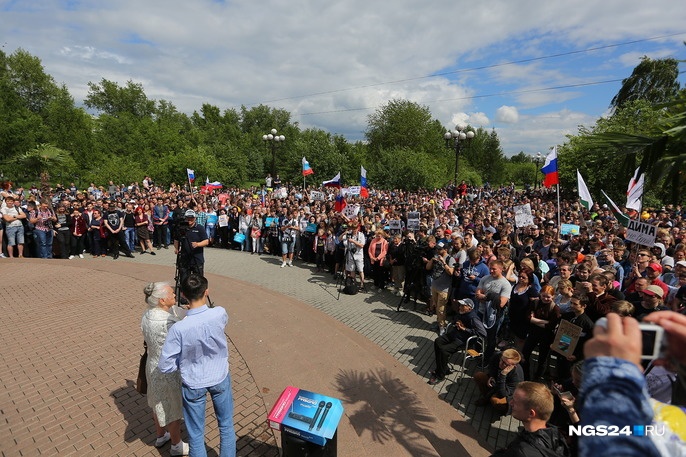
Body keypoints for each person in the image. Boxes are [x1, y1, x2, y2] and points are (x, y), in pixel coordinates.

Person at [159, 275, 236, 457]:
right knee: (226, 426)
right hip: (220, 375)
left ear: (184, 295)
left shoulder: (179, 328)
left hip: (193, 381)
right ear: (206, 291)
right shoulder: (219, 313)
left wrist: (183, 363)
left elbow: (165, 365)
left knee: (195, 434)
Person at [140, 282, 188, 456]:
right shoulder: (169, 321)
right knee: (172, 406)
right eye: (171, 293)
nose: (174, 294)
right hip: (169, 369)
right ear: (161, 300)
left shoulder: (147, 314)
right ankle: (177, 444)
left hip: (152, 365)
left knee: (157, 402)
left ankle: (161, 435)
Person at [491, 381, 570, 456]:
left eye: (515, 401)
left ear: (531, 413)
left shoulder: (521, 451)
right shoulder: (554, 434)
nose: (510, 403)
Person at [428, 298, 486, 385]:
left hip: (463, 340)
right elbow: (454, 319)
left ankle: (440, 375)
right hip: (454, 334)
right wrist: (457, 322)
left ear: (469, 308)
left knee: (444, 350)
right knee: (438, 341)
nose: (460, 307)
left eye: (463, 305)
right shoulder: (461, 313)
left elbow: (483, 333)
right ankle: (443, 368)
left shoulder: (473, 318)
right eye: (460, 305)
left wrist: (465, 329)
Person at [475, 260, 512, 362]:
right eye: (490, 268)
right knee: (478, 334)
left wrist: (485, 296)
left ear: (501, 269)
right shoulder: (485, 278)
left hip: (494, 316)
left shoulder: (506, 284)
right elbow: (477, 294)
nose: (491, 271)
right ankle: (477, 353)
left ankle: (487, 359)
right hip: (481, 311)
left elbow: (501, 303)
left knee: (491, 338)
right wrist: (491, 297)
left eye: (494, 269)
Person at [473, 348, 524, 415]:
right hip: (496, 382)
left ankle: (501, 410)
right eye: (501, 360)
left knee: (496, 401)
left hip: (506, 392)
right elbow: (491, 366)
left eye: (505, 364)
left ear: (513, 366)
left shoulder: (517, 377)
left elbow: (502, 394)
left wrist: (503, 375)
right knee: (479, 376)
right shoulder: (498, 356)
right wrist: (492, 376)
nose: (501, 363)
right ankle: (486, 397)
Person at [426, 241, 457, 334]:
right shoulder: (436, 256)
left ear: (446, 250)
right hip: (435, 286)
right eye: (437, 248)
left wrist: (443, 262)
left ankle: (442, 327)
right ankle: (439, 322)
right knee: (436, 307)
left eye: (440, 249)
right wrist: (432, 260)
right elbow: (427, 268)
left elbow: (451, 272)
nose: (437, 250)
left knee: (441, 309)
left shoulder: (450, 259)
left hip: (444, 289)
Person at [174, 210, 209, 284]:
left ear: (195, 218)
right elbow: (176, 239)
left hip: (197, 258)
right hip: (184, 258)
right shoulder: (181, 227)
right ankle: (184, 294)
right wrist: (176, 249)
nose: (189, 220)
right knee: (184, 280)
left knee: (198, 280)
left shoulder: (199, 228)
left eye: (191, 218)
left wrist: (198, 244)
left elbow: (206, 241)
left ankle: (198, 294)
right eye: (187, 218)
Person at [343, 224, 366, 291]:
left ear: (358, 228)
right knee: (352, 270)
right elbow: (340, 240)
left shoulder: (361, 235)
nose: (354, 230)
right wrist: (344, 233)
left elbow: (362, 245)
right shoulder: (349, 234)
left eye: (355, 228)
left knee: (360, 270)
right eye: (353, 228)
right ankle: (354, 283)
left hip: (359, 255)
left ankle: (362, 284)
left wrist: (353, 241)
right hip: (351, 254)